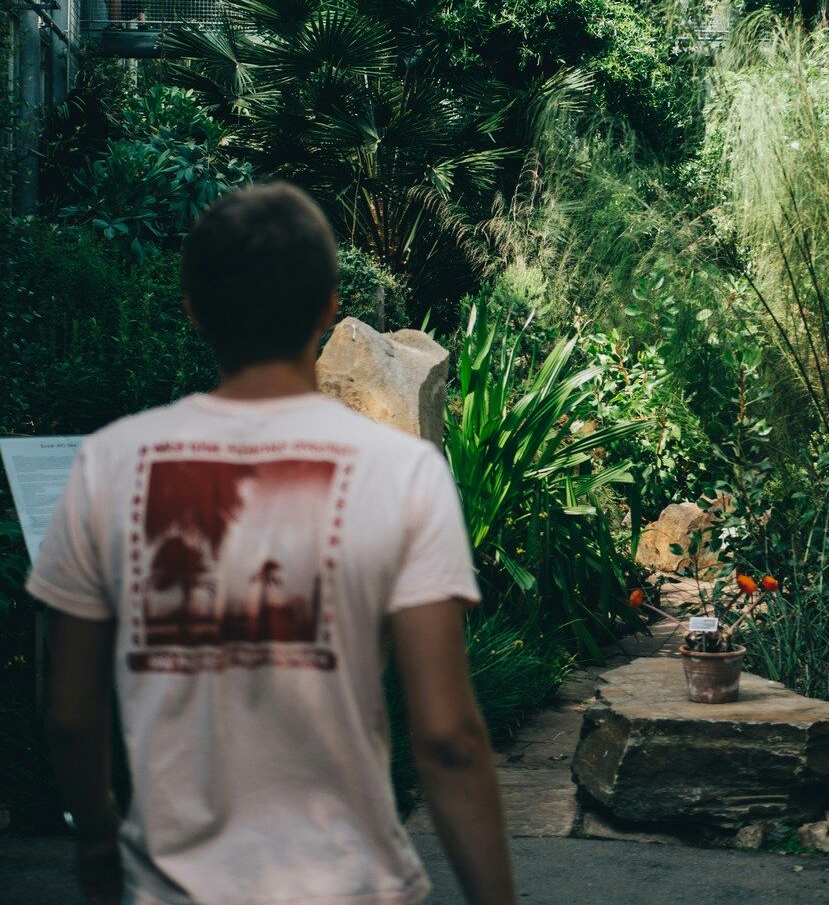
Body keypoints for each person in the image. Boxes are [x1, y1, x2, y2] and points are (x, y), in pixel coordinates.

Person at [26, 182, 517, 905]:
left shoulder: (108, 464)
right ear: (328, 307)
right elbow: (448, 738)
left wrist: (99, 835)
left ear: (192, 307)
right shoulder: (403, 472)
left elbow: (69, 713)